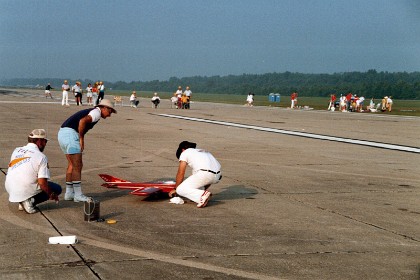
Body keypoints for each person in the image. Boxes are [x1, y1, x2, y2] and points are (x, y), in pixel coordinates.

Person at [57, 99, 117, 202]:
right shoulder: (96, 113)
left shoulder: (94, 111)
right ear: (104, 108)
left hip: (62, 133)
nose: (109, 115)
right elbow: (82, 121)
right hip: (71, 134)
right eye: (110, 112)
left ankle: (69, 193)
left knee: (71, 165)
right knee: (77, 165)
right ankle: (78, 195)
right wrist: (81, 139)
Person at [5, 129, 61, 214]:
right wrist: (51, 194)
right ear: (39, 141)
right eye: (45, 141)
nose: (45, 144)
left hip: (10, 187)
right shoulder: (41, 157)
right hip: (23, 188)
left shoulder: (17, 150)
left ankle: (23, 200)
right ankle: (30, 201)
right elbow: (42, 184)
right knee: (56, 188)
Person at [170, 141, 222, 208]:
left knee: (180, 189)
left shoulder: (185, 152)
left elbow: (181, 173)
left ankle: (201, 195)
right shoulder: (203, 152)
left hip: (205, 174)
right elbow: (208, 177)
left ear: (182, 150)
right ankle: (201, 197)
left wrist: (176, 189)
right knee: (196, 182)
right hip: (217, 176)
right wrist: (203, 189)